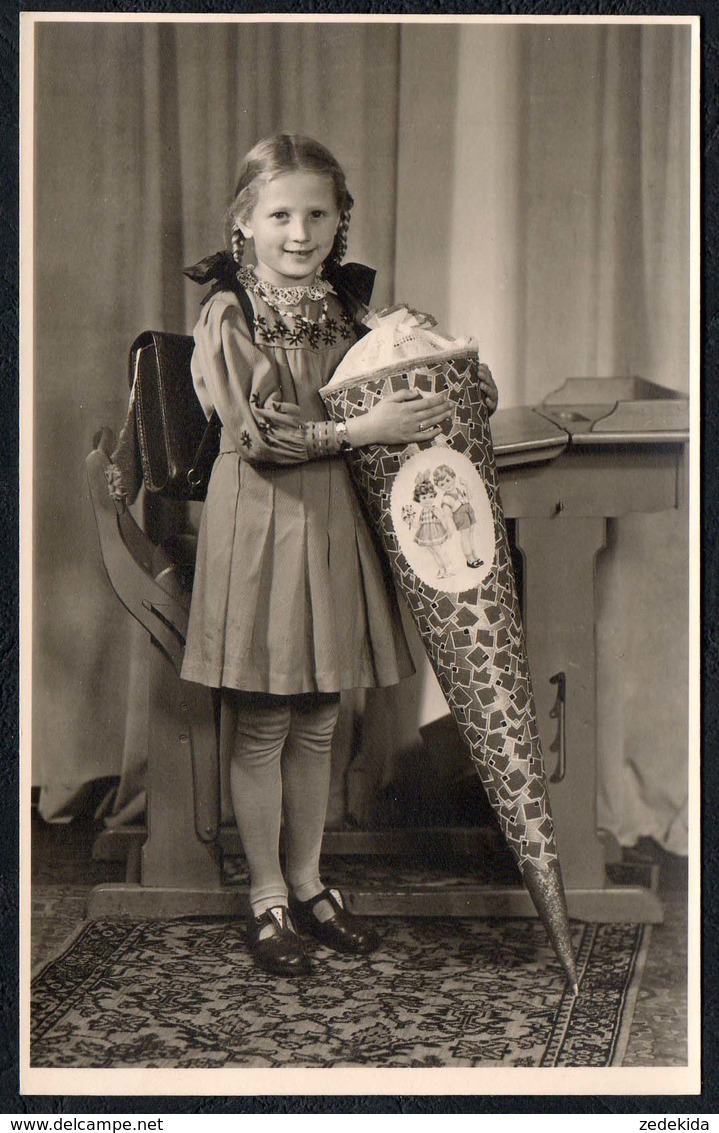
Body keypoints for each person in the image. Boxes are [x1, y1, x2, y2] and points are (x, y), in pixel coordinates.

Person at [180, 133, 497, 979]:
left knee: (320, 717)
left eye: (317, 212)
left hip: (333, 522)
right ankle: (266, 898)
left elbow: (397, 383)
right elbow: (259, 437)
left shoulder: (347, 308)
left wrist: (415, 353)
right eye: (279, 213)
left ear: (339, 220)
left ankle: (312, 884)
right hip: (261, 519)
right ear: (243, 222)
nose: (299, 230)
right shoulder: (228, 313)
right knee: (263, 719)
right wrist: (367, 429)